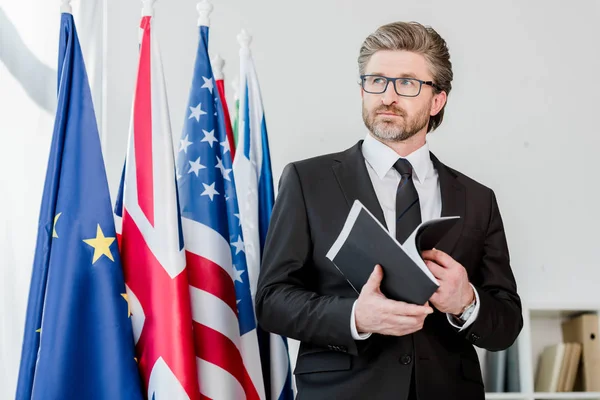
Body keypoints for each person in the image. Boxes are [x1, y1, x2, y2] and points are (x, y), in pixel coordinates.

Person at [255, 21, 523, 400]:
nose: (388, 96)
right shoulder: (306, 180)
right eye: (376, 80)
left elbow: (507, 325)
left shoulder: (478, 199)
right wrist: (355, 317)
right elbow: (271, 301)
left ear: (437, 100)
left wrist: (466, 302)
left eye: (407, 83)